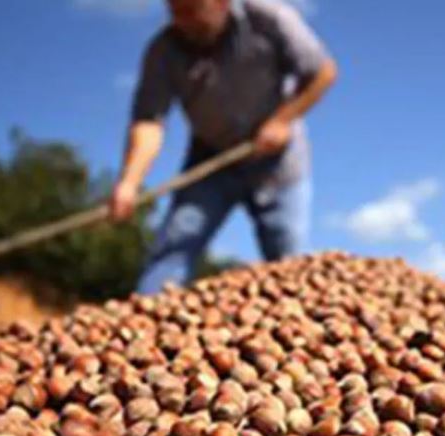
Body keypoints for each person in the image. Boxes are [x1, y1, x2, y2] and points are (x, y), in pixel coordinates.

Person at [109, 0, 337, 294]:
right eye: (175, 10)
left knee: (290, 264)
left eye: (193, 10)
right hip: (211, 160)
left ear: (221, 3)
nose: (183, 20)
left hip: (278, 164)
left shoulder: (270, 18)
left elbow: (322, 72)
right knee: (172, 250)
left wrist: (283, 120)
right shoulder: (163, 51)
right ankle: (143, 318)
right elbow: (149, 122)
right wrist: (130, 181)